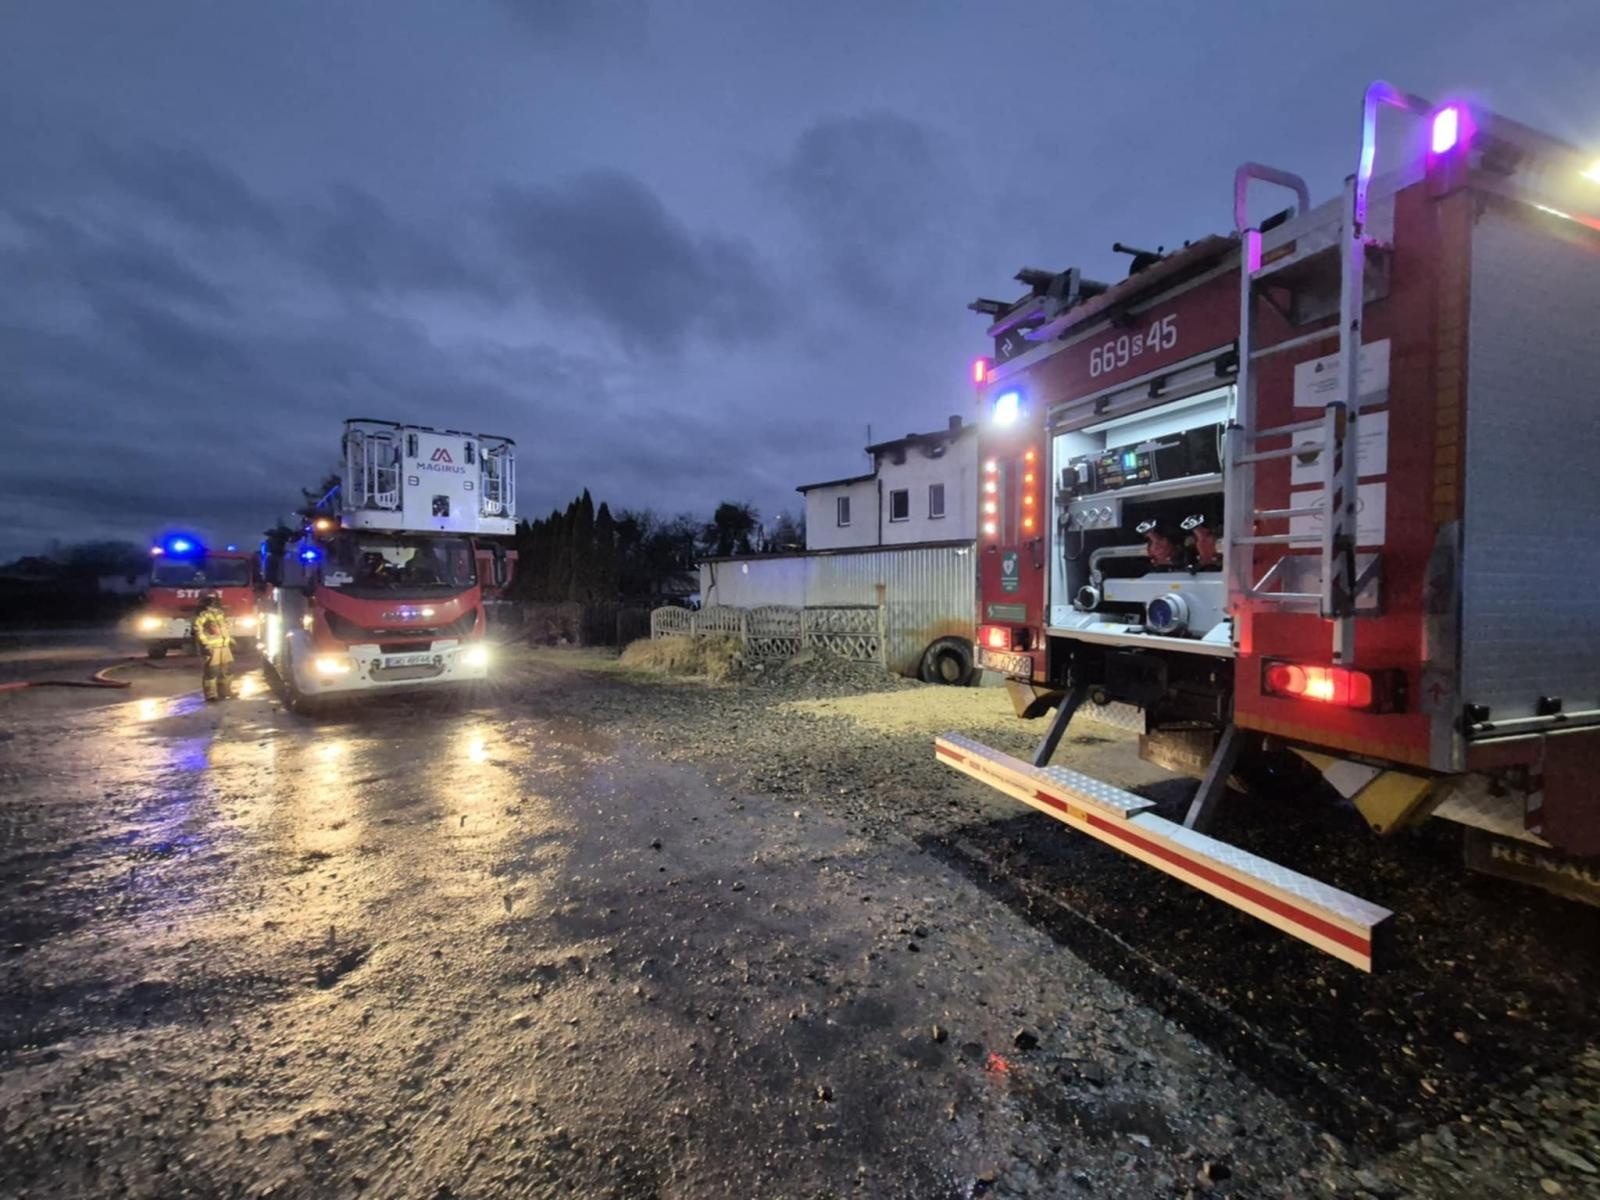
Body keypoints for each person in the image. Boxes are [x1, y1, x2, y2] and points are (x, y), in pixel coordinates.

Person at [193, 592, 234, 702]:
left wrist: (230, 640)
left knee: (226, 670)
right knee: (212, 671)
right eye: (209, 599)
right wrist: (205, 644)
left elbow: (225, 627)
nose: (212, 601)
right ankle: (211, 695)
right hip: (212, 647)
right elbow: (197, 630)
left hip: (224, 646)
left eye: (213, 599)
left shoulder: (219, 613)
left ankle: (225, 692)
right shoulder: (202, 614)